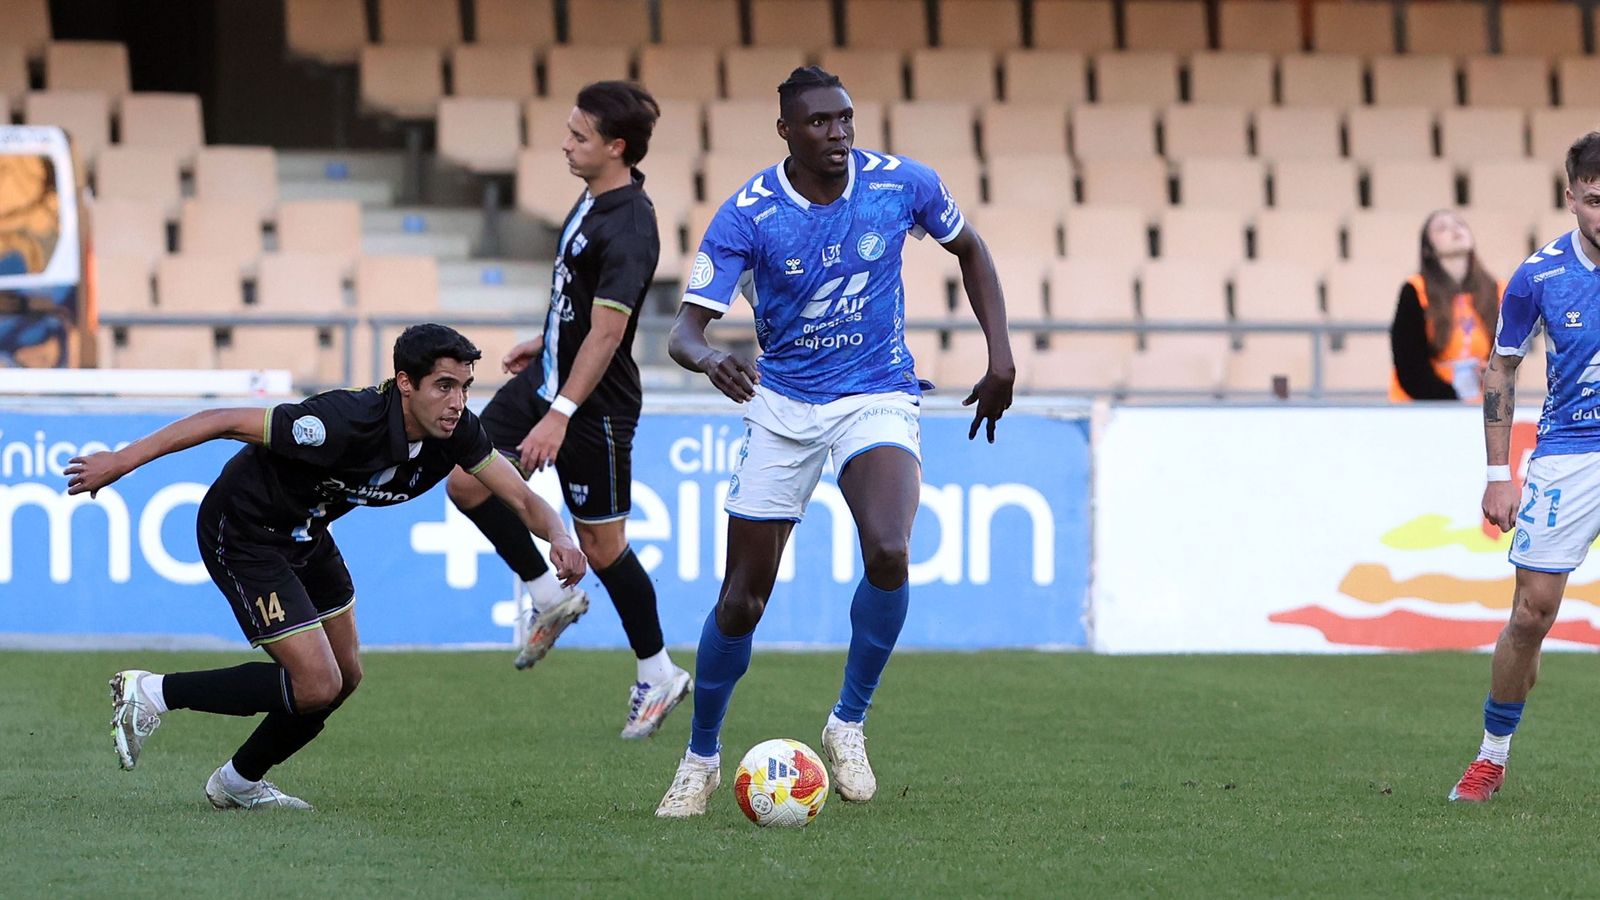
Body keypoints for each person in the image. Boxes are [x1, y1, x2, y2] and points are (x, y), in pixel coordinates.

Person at [653, 66, 1015, 818]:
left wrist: (1000, 355)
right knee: (741, 600)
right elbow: (684, 330)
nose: (838, 134)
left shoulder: (900, 184)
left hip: (877, 391)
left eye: (845, 119)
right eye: (819, 122)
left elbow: (971, 249)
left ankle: (848, 722)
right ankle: (700, 758)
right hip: (782, 405)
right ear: (786, 130)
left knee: (889, 549)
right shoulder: (749, 214)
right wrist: (712, 357)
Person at [67, 324, 586, 810]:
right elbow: (221, 421)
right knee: (317, 683)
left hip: (307, 535)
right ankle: (152, 692)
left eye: (465, 388)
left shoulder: (457, 432)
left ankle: (238, 783)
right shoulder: (340, 423)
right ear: (405, 383)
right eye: (443, 386)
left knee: (346, 676)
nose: (457, 403)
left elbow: (519, 497)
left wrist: (560, 536)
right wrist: (121, 460)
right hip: (245, 530)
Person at [443, 80, 691, 740]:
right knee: (465, 478)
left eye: (579, 137)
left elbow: (610, 334)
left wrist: (560, 412)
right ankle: (548, 594)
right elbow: (581, 306)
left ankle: (658, 671)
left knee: (604, 549)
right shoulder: (592, 196)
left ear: (616, 148)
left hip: (593, 405)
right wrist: (548, 336)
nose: (565, 144)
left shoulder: (632, 226)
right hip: (552, 376)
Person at [1449, 132, 1600, 802]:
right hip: (1569, 452)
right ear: (1571, 198)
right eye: (1595, 201)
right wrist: (1496, 473)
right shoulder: (1537, 277)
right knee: (1531, 615)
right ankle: (1491, 756)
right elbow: (1502, 366)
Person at [1389, 210, 1504, 402]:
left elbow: (1506, 358)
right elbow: (1409, 366)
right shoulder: (1415, 290)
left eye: (1460, 224)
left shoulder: (1497, 290)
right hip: (1421, 408)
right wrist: (1451, 399)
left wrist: (1493, 375)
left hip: (1479, 409)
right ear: (1428, 248)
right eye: (1442, 228)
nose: (1454, 230)